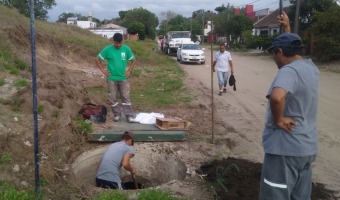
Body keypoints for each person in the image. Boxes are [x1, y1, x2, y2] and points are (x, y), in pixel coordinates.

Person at [259, 12, 319, 200]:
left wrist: (278, 120)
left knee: (276, 195)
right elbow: (293, 44)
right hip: (306, 148)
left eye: (274, 53)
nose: (274, 58)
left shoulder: (289, 71)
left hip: (285, 149)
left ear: (280, 52)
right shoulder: (310, 68)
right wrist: (287, 29)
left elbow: (277, 97)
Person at [95, 33, 136, 123]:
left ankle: (129, 115)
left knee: (125, 97)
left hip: (123, 78)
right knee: (112, 97)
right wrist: (102, 69)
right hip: (111, 78)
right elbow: (98, 58)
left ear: (122, 41)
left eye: (120, 43)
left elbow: (133, 60)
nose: (118, 45)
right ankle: (117, 114)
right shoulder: (108, 49)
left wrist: (129, 70)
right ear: (113, 41)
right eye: (116, 43)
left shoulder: (126, 49)